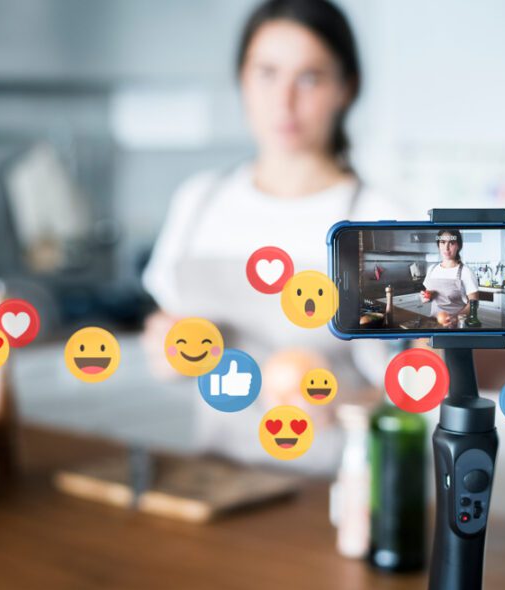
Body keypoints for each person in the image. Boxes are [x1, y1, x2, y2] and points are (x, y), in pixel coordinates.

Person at [141, 0, 407, 474]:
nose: (284, 100)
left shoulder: (380, 221)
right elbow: (169, 333)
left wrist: (340, 398)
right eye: (267, 73)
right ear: (241, 80)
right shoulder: (200, 201)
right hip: (217, 480)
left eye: (309, 77)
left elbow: (410, 387)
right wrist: (168, 354)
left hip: (337, 493)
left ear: (347, 88)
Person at [420, 230, 479, 327]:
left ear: (458, 246)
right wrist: (425, 297)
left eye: (451, 243)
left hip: (457, 326)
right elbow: (429, 294)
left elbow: (474, 304)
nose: (446, 248)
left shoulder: (466, 272)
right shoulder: (432, 269)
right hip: (434, 324)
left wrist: (456, 318)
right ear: (438, 245)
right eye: (443, 242)